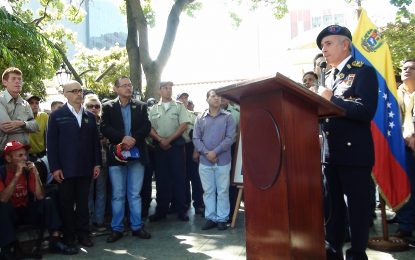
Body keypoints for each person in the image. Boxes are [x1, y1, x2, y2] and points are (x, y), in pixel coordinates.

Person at [315, 25, 378, 260]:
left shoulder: (363, 72)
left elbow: (365, 111)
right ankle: (333, 253)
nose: (324, 49)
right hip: (330, 154)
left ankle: (357, 255)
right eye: (322, 46)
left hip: (355, 154)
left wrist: (332, 100)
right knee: (333, 211)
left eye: (329, 43)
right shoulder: (328, 77)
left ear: (345, 45)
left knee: (357, 211)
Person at [47, 80, 101, 249]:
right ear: (66, 94)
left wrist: (97, 164)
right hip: (65, 169)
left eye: (80, 90)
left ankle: (84, 234)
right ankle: (69, 236)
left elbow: (95, 144)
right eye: (75, 91)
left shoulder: (90, 117)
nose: (79, 93)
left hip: (85, 167)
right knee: (66, 204)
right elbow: (51, 144)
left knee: (83, 204)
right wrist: (55, 167)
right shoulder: (56, 116)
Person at [0, 140, 78, 258]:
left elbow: (40, 196)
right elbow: (3, 199)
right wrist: (17, 175)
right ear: (8, 158)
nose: (25, 158)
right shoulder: (2, 172)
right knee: (3, 208)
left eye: (25, 155)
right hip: (11, 214)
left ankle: (55, 241)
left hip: (26, 209)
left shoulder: (28, 170)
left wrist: (35, 174)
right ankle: (7, 249)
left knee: (48, 201)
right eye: (20, 156)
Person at [101, 76, 151, 243]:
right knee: (117, 194)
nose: (128, 88)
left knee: (134, 194)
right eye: (124, 85)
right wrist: (123, 139)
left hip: (137, 155)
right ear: (116, 89)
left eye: (130, 85)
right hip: (117, 155)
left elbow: (146, 126)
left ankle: (137, 226)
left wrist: (133, 139)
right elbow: (104, 127)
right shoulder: (107, 107)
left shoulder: (141, 106)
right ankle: (117, 228)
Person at [193, 89, 236, 230]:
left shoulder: (228, 117)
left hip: (223, 160)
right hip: (205, 161)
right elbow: (196, 138)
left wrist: (215, 152)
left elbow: (230, 138)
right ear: (207, 99)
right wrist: (207, 153)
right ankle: (211, 217)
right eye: (213, 96)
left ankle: (222, 219)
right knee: (208, 191)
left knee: (223, 190)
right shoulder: (200, 118)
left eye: (218, 96)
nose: (217, 98)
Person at [148, 81, 190, 222]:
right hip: (160, 148)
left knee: (179, 178)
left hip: (176, 147)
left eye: (170, 88)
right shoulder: (154, 109)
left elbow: (183, 125)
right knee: (161, 180)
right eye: (165, 88)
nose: (168, 90)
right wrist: (161, 140)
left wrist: (169, 140)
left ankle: (181, 210)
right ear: (159, 90)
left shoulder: (179, 106)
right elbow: (150, 128)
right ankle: (161, 211)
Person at [394, 58, 415, 238]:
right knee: (406, 184)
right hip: (403, 147)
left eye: (411, 68)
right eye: (404, 68)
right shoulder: (396, 94)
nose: (406, 71)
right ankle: (406, 224)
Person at [0, 67, 39, 164]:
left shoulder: (25, 103)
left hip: (25, 154)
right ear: (5, 82)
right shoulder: (0, 100)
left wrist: (21, 123)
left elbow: (35, 127)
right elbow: (7, 128)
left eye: (19, 79)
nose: (18, 81)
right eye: (13, 79)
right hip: (5, 156)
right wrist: (27, 126)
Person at [176, 92, 204, 215]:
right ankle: (184, 203)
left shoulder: (194, 116)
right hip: (177, 148)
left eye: (186, 98)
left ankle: (198, 204)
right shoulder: (174, 114)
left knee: (196, 177)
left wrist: (196, 150)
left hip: (191, 147)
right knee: (182, 178)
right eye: (181, 98)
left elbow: (198, 134)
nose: (184, 100)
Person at [84, 94, 108, 231]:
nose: (93, 108)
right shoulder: (82, 121)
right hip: (87, 163)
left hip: (103, 162)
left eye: (96, 106)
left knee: (101, 192)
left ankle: (99, 221)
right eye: (90, 106)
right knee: (87, 193)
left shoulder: (104, 123)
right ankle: (88, 220)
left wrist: (105, 141)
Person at [220, 97, 240, 221]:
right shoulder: (208, 112)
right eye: (218, 96)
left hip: (232, 149)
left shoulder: (237, 112)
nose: (221, 99)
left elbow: (240, 131)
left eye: (224, 96)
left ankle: (232, 211)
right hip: (214, 151)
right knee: (218, 182)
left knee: (231, 181)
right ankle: (217, 213)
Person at [26, 94, 48, 162]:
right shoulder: (21, 117)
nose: (35, 105)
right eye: (31, 103)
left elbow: (48, 134)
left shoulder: (44, 116)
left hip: (42, 154)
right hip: (27, 156)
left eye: (37, 103)